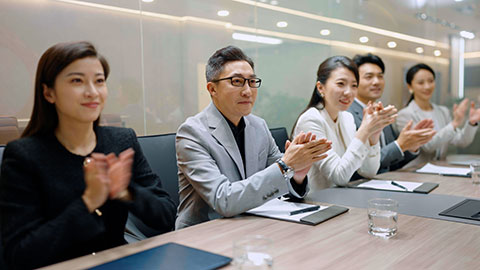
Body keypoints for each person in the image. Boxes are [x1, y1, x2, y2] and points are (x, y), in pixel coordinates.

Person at [0, 41, 176, 269]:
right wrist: (88, 202)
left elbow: (166, 216)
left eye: (99, 81)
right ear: (48, 92)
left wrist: (126, 191)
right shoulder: (24, 156)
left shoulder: (121, 141)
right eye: (77, 81)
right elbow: (18, 256)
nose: (92, 92)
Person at [175, 46, 332, 229]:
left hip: (251, 224)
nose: (248, 91)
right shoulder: (191, 133)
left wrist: (297, 174)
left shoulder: (258, 126)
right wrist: (284, 166)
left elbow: (277, 183)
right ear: (212, 89)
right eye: (236, 81)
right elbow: (223, 200)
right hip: (204, 232)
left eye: (251, 82)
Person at [292, 56, 397, 191]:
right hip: (316, 202)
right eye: (341, 84)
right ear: (321, 88)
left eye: (354, 85)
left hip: (342, 199)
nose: (349, 92)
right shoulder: (311, 120)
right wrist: (364, 131)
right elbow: (339, 176)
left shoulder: (347, 117)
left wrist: (373, 136)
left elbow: (368, 171)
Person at [348, 54, 436, 173]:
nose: (376, 82)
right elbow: (360, 165)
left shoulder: (381, 112)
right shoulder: (348, 115)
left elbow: (392, 163)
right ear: (354, 82)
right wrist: (400, 145)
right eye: (368, 77)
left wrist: (411, 146)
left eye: (380, 76)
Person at [395, 63, 480, 167]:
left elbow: (461, 141)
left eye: (431, 81)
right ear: (410, 87)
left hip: (440, 169)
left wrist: (472, 122)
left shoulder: (442, 111)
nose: (427, 86)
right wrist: (454, 123)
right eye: (421, 83)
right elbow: (428, 146)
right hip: (414, 172)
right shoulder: (404, 115)